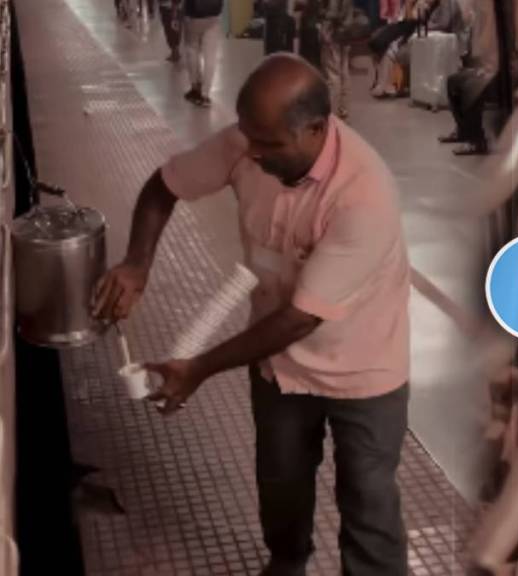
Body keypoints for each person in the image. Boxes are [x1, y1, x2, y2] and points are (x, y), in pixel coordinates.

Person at [91, 54, 412, 576]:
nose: (253, 155)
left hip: (363, 366)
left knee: (368, 498)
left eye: (268, 145)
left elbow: (301, 318)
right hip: (279, 362)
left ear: (315, 128)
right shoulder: (250, 141)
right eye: (249, 138)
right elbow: (162, 186)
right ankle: (287, 563)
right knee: (281, 479)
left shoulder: (363, 195)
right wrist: (136, 263)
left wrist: (196, 369)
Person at [437, 0, 499, 155]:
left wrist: (490, 69)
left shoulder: (499, 17)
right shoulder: (482, 17)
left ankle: (477, 142)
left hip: (502, 74)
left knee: (472, 87)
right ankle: (463, 132)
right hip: (487, 68)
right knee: (453, 81)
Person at [182, 0, 225, 108]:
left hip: (193, 16)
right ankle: (205, 94)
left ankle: (195, 88)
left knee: (192, 49)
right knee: (210, 55)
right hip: (214, 15)